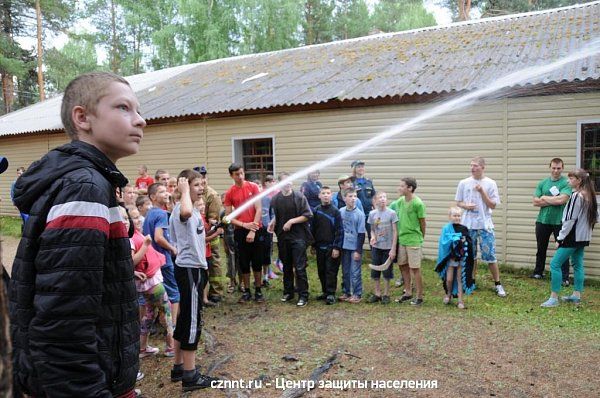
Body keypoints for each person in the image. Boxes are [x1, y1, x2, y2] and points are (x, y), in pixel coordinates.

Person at [9, 72, 145, 397]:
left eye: (139, 110)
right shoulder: (84, 188)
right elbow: (63, 322)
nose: (140, 120)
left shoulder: (91, 181)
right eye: (124, 108)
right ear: (82, 118)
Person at [168, 170, 218, 391]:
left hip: (194, 268)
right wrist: (184, 191)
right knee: (192, 322)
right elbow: (186, 210)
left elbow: (195, 235)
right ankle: (190, 376)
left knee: (184, 318)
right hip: (190, 270)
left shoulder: (194, 210)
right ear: (185, 187)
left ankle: (178, 368)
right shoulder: (183, 208)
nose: (201, 187)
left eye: (203, 184)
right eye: (196, 185)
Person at [541, 169, 598, 307]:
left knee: (555, 264)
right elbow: (596, 218)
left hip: (572, 237)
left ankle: (554, 298)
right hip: (583, 238)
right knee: (578, 264)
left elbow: (569, 220)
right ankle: (576, 296)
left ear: (579, 180)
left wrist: (560, 238)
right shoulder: (590, 196)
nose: (568, 181)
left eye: (571, 179)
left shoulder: (576, 196)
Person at [455, 156, 507, 297]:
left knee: (490, 255)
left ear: (483, 167)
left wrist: (482, 192)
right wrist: (466, 206)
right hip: (468, 225)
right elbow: (458, 202)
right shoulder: (464, 183)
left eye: (476, 166)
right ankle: (471, 281)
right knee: (470, 255)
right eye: (471, 165)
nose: (472, 168)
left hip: (485, 225)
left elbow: (493, 205)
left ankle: (498, 284)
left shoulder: (490, 183)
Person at [127, 207, 175, 358]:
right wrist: (146, 244)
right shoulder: (131, 239)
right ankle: (171, 347)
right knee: (165, 312)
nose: (138, 220)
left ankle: (142, 348)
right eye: (134, 218)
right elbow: (131, 261)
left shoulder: (136, 233)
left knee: (149, 314)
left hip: (149, 281)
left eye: (139, 217)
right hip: (151, 283)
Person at [268, 172, 313, 307]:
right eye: (284, 181)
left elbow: (307, 215)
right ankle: (288, 292)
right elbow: (278, 213)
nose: (287, 184)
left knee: (299, 267)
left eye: (289, 181)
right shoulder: (275, 199)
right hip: (283, 237)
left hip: (298, 237)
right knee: (286, 266)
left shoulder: (299, 197)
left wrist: (291, 221)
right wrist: (273, 221)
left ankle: (303, 295)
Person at [223, 163, 264, 303]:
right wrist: (243, 225)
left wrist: (252, 229)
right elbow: (228, 217)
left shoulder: (253, 187)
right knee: (244, 262)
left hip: (256, 228)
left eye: (241, 173)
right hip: (240, 231)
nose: (240, 176)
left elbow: (258, 209)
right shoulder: (230, 193)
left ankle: (258, 290)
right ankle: (247, 291)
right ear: (231, 176)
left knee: (257, 261)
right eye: (236, 174)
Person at [144, 182, 180, 322]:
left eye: (166, 191)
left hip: (152, 261)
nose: (166, 194)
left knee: (158, 293)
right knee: (174, 293)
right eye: (161, 192)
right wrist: (172, 248)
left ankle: (161, 321)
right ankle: (173, 326)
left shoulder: (150, 213)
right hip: (163, 260)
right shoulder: (161, 214)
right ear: (153, 197)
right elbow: (158, 238)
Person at [532, 158, 572, 283]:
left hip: (560, 221)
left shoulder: (566, 183)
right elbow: (535, 202)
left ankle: (564, 278)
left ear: (562, 168)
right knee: (541, 248)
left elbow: (562, 200)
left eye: (558, 168)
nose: (556, 170)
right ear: (550, 167)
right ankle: (538, 272)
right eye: (554, 168)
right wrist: (552, 200)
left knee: (562, 249)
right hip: (542, 221)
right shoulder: (543, 183)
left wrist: (544, 198)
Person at [390, 177, 427, 306]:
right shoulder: (399, 201)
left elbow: (423, 223)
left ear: (410, 188)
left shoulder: (418, 203)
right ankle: (408, 292)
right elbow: (389, 211)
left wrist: (420, 238)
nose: (399, 188)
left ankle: (419, 296)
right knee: (402, 265)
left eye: (401, 186)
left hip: (414, 240)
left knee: (415, 268)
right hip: (402, 239)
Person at [435, 207, 476, 309]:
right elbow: (443, 243)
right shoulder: (446, 228)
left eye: (459, 215)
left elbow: (469, 243)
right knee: (449, 279)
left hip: (461, 260)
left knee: (460, 280)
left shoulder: (464, 229)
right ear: (450, 217)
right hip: (450, 260)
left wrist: (463, 241)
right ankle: (448, 294)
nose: (457, 217)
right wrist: (453, 239)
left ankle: (460, 301)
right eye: (455, 215)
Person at [311, 186, 343, 305]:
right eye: (323, 193)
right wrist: (313, 245)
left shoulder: (336, 212)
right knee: (321, 270)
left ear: (331, 195)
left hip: (331, 247)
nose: (325, 195)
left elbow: (340, 231)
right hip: (320, 246)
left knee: (331, 270)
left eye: (328, 193)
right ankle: (324, 291)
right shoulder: (316, 210)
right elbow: (313, 229)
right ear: (319, 196)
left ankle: (331, 293)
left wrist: (336, 247)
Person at [199, 169, 225, 303]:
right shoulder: (195, 193)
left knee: (213, 260)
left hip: (210, 233)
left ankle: (216, 291)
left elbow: (213, 218)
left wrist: (211, 232)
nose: (202, 180)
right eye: (199, 177)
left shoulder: (212, 195)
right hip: (198, 234)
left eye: (204, 177)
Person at [367, 191, 397, 304]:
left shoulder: (392, 213)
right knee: (375, 269)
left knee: (387, 271)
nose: (383, 199)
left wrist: (393, 249)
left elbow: (395, 232)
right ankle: (377, 293)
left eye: (384, 197)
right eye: (380, 197)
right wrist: (373, 237)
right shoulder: (372, 214)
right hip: (376, 247)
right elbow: (372, 230)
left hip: (388, 247)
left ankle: (386, 294)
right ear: (376, 200)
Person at [339, 188, 366, 304]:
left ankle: (357, 293)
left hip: (354, 248)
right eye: (350, 196)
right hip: (344, 246)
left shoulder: (360, 214)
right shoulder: (340, 212)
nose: (353, 198)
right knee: (345, 271)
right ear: (344, 198)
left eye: (355, 196)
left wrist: (358, 250)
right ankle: (346, 292)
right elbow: (338, 230)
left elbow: (361, 234)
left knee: (355, 272)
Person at [351, 160, 376, 238]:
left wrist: (375, 210)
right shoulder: (351, 182)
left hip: (369, 213)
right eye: (358, 167)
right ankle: (358, 250)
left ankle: (373, 250)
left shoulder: (369, 182)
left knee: (372, 234)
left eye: (362, 167)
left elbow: (373, 196)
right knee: (358, 235)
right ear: (354, 169)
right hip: (357, 213)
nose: (361, 168)